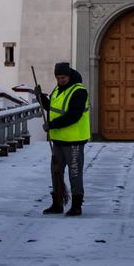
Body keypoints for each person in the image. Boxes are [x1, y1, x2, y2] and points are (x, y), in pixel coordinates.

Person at [34, 62, 90, 216]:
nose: (61, 80)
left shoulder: (79, 91)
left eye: (63, 77)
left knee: (74, 173)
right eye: (58, 78)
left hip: (74, 141)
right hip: (58, 140)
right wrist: (41, 98)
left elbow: (73, 116)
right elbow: (52, 108)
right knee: (56, 172)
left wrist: (52, 124)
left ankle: (76, 206)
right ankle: (57, 203)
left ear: (69, 75)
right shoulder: (58, 90)